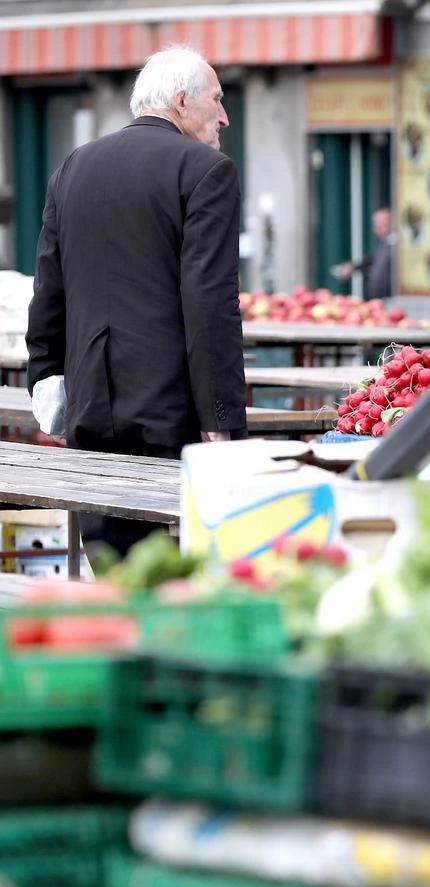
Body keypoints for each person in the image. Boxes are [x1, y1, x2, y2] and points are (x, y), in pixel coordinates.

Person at [27, 45, 245, 558]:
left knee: (115, 569)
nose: (224, 116)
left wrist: (45, 384)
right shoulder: (206, 171)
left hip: (89, 408)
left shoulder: (74, 167)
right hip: (172, 412)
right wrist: (221, 420)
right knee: (176, 576)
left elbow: (48, 290)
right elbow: (210, 302)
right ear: (180, 100)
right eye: (216, 99)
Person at [332, 207, 396, 300]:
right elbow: (369, 259)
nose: (376, 226)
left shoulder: (397, 245)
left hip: (391, 298)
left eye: (380, 222)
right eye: (375, 223)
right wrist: (352, 267)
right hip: (377, 299)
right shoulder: (382, 243)